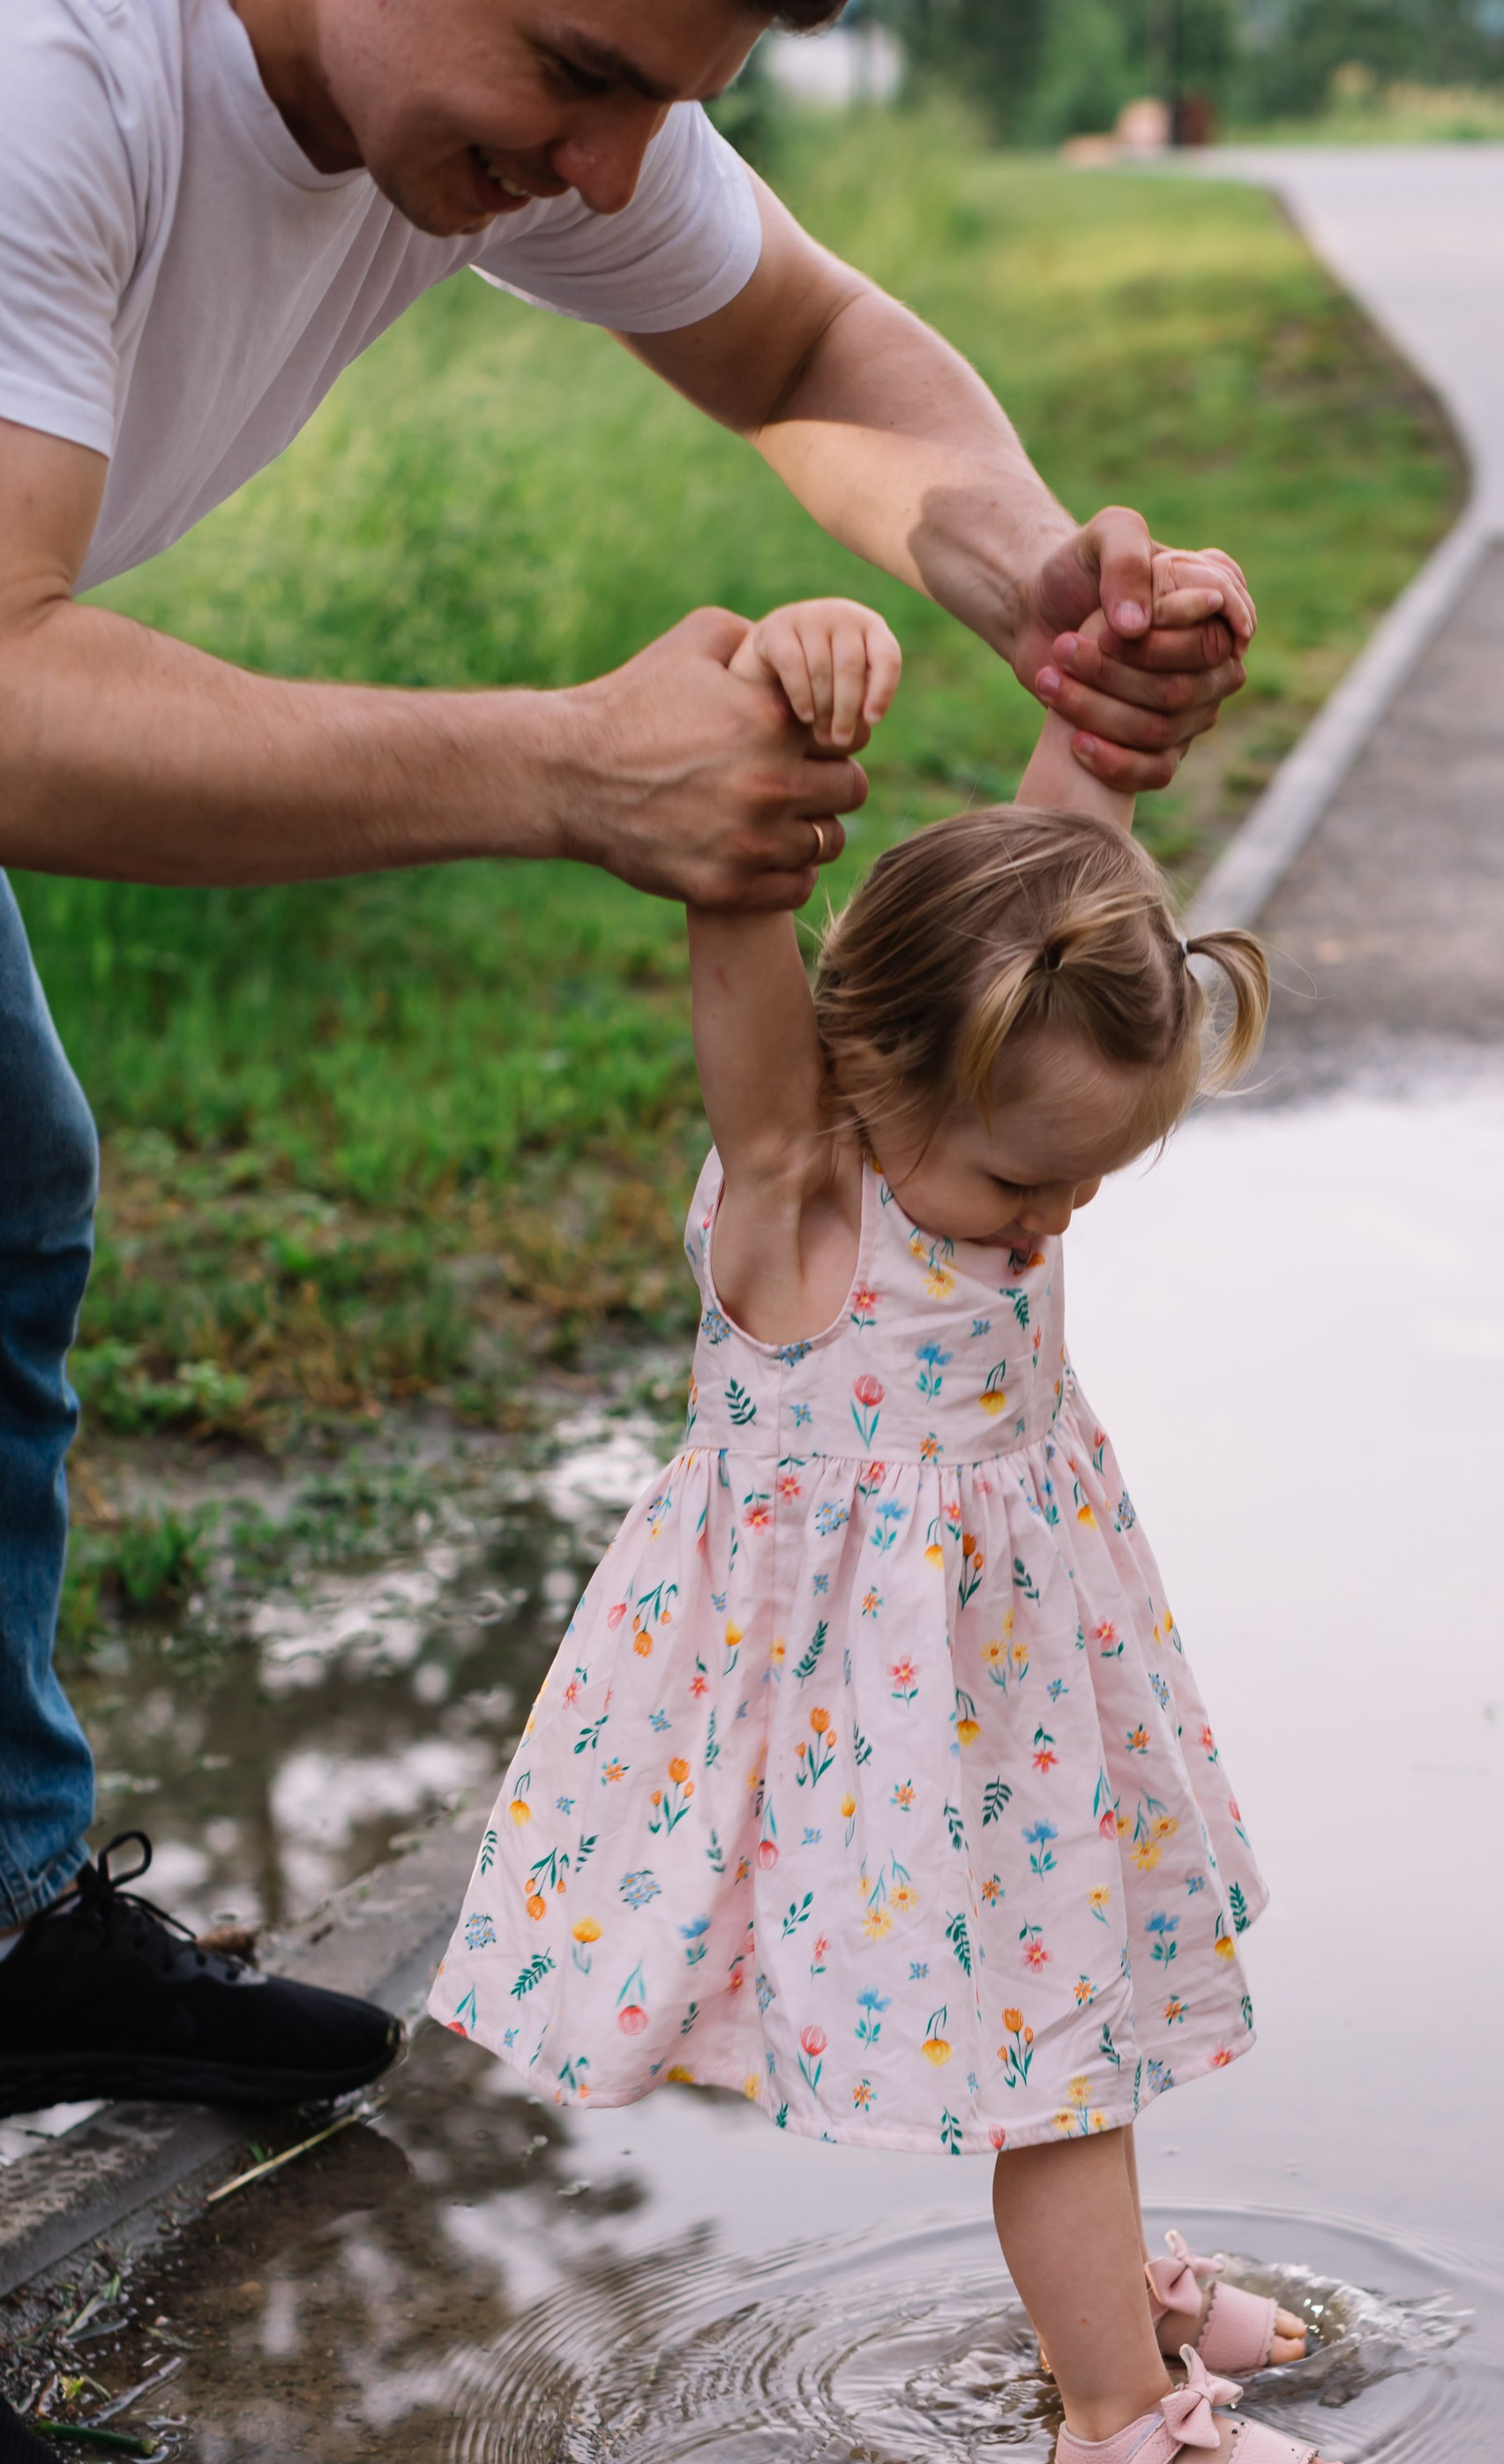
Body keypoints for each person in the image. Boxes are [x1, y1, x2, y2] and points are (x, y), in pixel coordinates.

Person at [0, 0, 1253, 2175]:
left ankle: (2, 1918)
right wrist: (562, 767)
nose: (608, 167)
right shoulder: (52, 83)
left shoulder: (516, 101)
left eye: (671, 101)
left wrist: (1031, 579)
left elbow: (803, 356)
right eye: (580, 69)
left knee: (10, 1200)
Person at [429, 588, 1352, 2464]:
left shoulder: (991, 1118)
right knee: (1057, 2055)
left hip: (1016, 1697)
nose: (1055, 1222)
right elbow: (746, 948)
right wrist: (761, 750)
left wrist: (1112, 692)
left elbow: (1062, 852)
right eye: (1029, 1185)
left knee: (1073, 2022)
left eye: (1094, 1183)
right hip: (883, 1736)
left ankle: (1092, 2293)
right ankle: (1119, 2427)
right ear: (872, 1080)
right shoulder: (802, 1199)